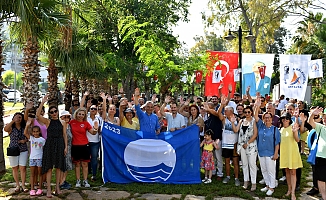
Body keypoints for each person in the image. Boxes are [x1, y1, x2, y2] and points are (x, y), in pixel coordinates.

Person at [36, 95, 67, 198]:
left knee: (58, 167)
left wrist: (66, 147)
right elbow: (37, 115)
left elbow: (64, 135)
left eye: (55, 111)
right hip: (50, 144)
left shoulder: (62, 122)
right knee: (49, 168)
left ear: (58, 112)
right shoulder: (48, 122)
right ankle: (49, 189)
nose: (54, 113)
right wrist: (42, 102)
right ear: (49, 114)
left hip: (59, 144)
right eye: (52, 112)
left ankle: (57, 187)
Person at [207, 95, 240, 186]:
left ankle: (236, 178)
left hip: (234, 144)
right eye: (224, 111)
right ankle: (228, 176)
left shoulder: (237, 119)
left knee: (236, 162)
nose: (224, 112)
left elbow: (236, 130)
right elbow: (218, 113)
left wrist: (233, 122)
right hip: (226, 144)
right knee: (227, 161)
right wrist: (221, 105)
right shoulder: (224, 119)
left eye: (226, 111)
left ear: (231, 112)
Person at [254, 95, 280, 196]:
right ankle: (267, 184)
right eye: (265, 117)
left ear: (271, 118)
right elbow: (256, 116)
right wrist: (257, 106)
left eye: (269, 117)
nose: (267, 119)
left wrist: (276, 153)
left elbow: (277, 142)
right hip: (261, 151)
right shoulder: (261, 125)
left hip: (270, 152)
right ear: (263, 118)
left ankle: (272, 187)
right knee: (264, 169)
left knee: (271, 170)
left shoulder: (275, 129)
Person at [70, 107, 99, 188]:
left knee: (85, 164)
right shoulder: (71, 122)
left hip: (85, 145)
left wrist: (96, 128)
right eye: (79, 114)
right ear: (76, 114)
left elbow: (93, 132)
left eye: (83, 115)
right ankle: (78, 180)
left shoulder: (86, 123)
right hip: (75, 145)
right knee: (77, 164)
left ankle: (85, 180)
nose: (81, 116)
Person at [232, 106, 258, 191]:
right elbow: (236, 130)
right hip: (242, 146)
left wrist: (248, 143)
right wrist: (232, 122)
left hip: (251, 146)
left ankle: (253, 183)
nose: (247, 114)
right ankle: (246, 181)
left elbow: (255, 134)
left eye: (248, 112)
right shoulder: (242, 121)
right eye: (245, 112)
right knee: (244, 164)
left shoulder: (254, 121)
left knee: (252, 164)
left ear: (251, 112)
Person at [279, 112, 302, 200]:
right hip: (284, 153)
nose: (285, 120)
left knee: (293, 172)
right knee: (287, 172)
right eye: (283, 118)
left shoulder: (293, 127)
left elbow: (297, 139)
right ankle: (289, 189)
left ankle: (293, 193)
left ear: (289, 120)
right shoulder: (280, 129)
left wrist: (295, 132)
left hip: (292, 152)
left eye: (287, 118)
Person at [4, 112, 28, 193]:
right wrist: (13, 121)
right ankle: (17, 184)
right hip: (13, 149)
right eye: (16, 117)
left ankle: (23, 185)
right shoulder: (11, 127)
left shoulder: (24, 127)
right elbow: (6, 129)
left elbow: (28, 137)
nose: (18, 119)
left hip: (23, 149)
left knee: (23, 167)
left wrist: (24, 140)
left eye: (20, 117)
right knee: (15, 168)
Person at [308, 107, 326, 200]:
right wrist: (312, 114)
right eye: (324, 117)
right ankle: (324, 197)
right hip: (321, 157)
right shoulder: (321, 127)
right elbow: (310, 122)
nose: (325, 119)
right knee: (321, 178)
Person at [24, 120, 45, 196]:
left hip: (40, 158)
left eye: (37, 131)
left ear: (39, 132)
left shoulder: (42, 140)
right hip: (32, 158)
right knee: (32, 174)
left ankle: (40, 188)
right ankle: (32, 189)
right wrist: (27, 125)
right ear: (32, 132)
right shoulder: (31, 138)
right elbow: (25, 133)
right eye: (34, 131)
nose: (35, 133)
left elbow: (44, 149)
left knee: (40, 174)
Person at [59, 111, 73, 190]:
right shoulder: (60, 126)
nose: (66, 119)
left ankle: (63, 180)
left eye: (68, 117)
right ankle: (61, 182)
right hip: (62, 147)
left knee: (67, 165)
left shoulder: (69, 126)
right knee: (62, 165)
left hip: (69, 147)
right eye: (64, 117)